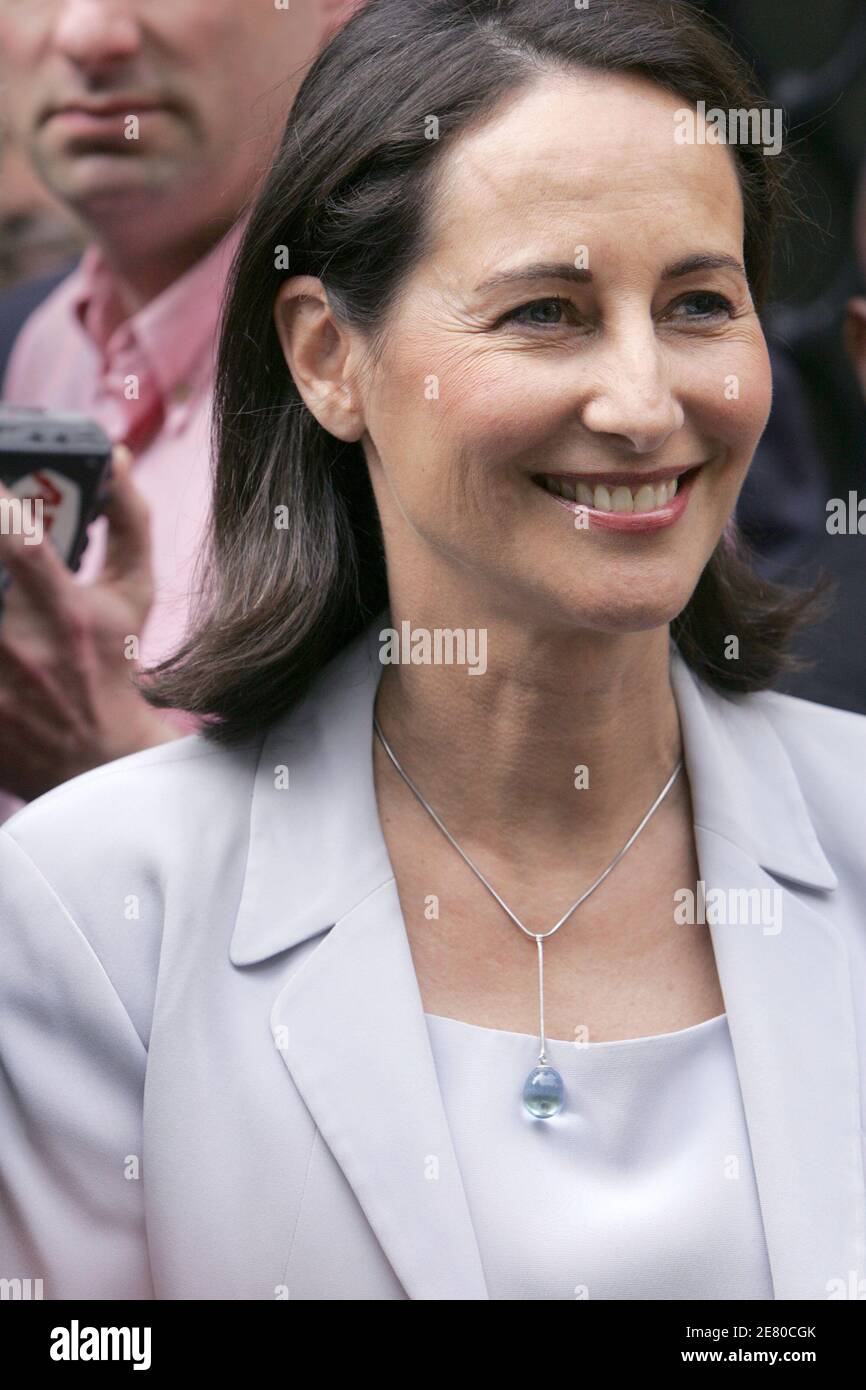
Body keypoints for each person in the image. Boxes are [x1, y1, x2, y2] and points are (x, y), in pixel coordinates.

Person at [2, 0, 865, 1302]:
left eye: (697, 302)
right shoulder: (86, 905)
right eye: (543, 313)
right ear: (327, 358)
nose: (642, 403)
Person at [0, 0, 351, 814]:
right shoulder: (32, 342)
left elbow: (497, 889)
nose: (87, 34)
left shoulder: (424, 368)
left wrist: (106, 759)